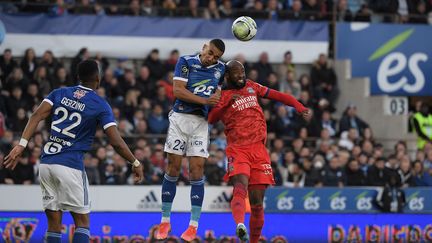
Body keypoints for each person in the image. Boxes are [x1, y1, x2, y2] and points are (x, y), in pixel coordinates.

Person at [3, 60, 144, 243]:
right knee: (82, 222)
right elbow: (115, 142)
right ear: (97, 78)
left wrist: (21, 145)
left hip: (46, 164)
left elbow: (36, 115)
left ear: (78, 77)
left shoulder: (59, 93)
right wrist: (135, 162)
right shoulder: (100, 105)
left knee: (54, 224)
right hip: (70, 166)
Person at [208, 60, 311, 242]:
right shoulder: (221, 95)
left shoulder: (251, 86)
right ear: (227, 76)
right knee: (240, 186)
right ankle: (240, 224)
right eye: (236, 73)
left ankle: (253, 240)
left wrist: (298, 106)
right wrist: (226, 103)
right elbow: (211, 119)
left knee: (257, 204)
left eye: (243, 72)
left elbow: (278, 96)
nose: (241, 76)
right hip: (238, 149)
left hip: (259, 150)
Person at [156, 39, 225, 241]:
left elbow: (219, 93)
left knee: (197, 170)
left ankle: (193, 225)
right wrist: (205, 100)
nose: (211, 57)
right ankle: (165, 220)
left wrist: (217, 102)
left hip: (201, 124)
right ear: (204, 47)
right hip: (180, 118)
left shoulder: (221, 69)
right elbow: (178, 91)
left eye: (216, 56)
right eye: (210, 52)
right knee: (173, 168)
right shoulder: (186, 61)